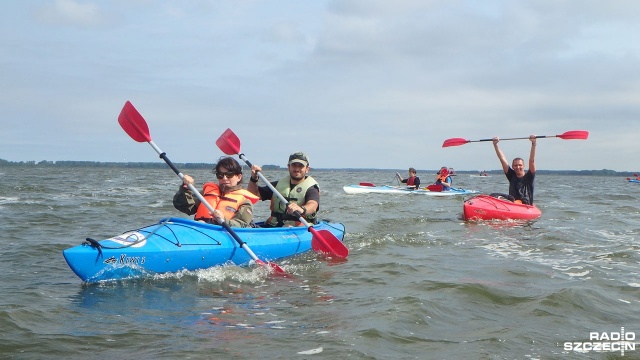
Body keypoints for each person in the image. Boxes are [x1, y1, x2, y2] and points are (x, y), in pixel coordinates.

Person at [172, 156, 259, 227]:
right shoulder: (207, 192)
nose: (224, 178)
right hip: (201, 229)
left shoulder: (244, 201)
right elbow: (185, 207)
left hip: (223, 233)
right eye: (220, 175)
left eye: (229, 175)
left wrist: (223, 220)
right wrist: (185, 188)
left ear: (239, 177)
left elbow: (242, 224)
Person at [248, 151, 320, 227]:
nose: (297, 169)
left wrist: (302, 209)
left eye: (300, 166)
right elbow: (253, 195)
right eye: (294, 165)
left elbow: (313, 205)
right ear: (289, 167)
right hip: (275, 226)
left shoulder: (311, 188)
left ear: (307, 169)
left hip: (299, 228)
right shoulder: (277, 185)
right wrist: (254, 178)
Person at [492, 135, 537, 204]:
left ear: (524, 166)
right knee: (493, 195)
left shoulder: (530, 176)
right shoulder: (511, 175)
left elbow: (531, 160)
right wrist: (495, 145)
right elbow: (503, 160)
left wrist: (533, 143)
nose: (518, 167)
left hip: (526, 205)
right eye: (515, 165)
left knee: (522, 201)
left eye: (520, 165)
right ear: (512, 166)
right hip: (513, 204)